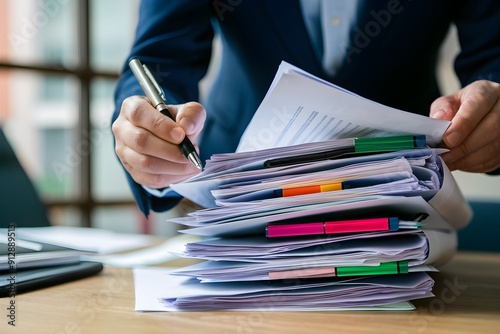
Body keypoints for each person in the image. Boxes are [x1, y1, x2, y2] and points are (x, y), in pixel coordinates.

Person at [112, 0, 500, 216]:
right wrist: (149, 131)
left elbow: (493, 55)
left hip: (402, 206)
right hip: (235, 201)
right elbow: (159, 57)